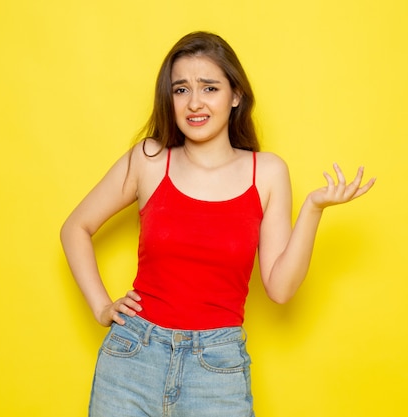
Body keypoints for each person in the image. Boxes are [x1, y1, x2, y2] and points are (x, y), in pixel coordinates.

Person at [60, 31, 375, 417]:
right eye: (181, 90)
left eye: (209, 87)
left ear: (235, 94)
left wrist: (313, 208)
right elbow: (75, 227)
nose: (194, 102)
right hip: (133, 358)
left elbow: (279, 289)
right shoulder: (149, 159)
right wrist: (101, 306)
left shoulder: (268, 173)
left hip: (217, 368)